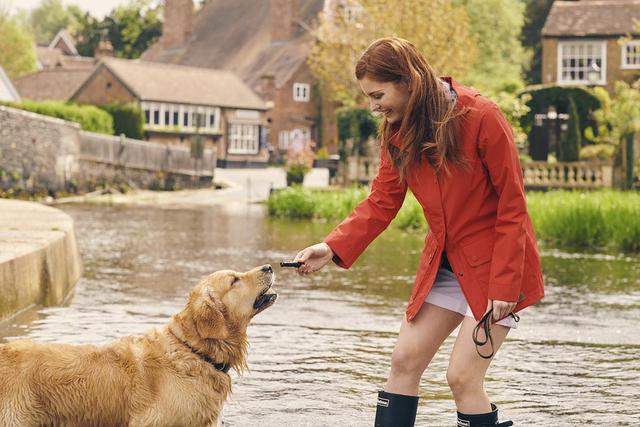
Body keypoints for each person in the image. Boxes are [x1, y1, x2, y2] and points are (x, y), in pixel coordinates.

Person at [293, 37, 544, 427]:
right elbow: (383, 200)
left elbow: (513, 207)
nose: (373, 106)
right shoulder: (396, 130)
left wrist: (505, 285)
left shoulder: (483, 116)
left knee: (462, 378)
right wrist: (331, 246)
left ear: (408, 80)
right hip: (444, 262)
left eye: (378, 95)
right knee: (404, 361)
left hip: (497, 268)